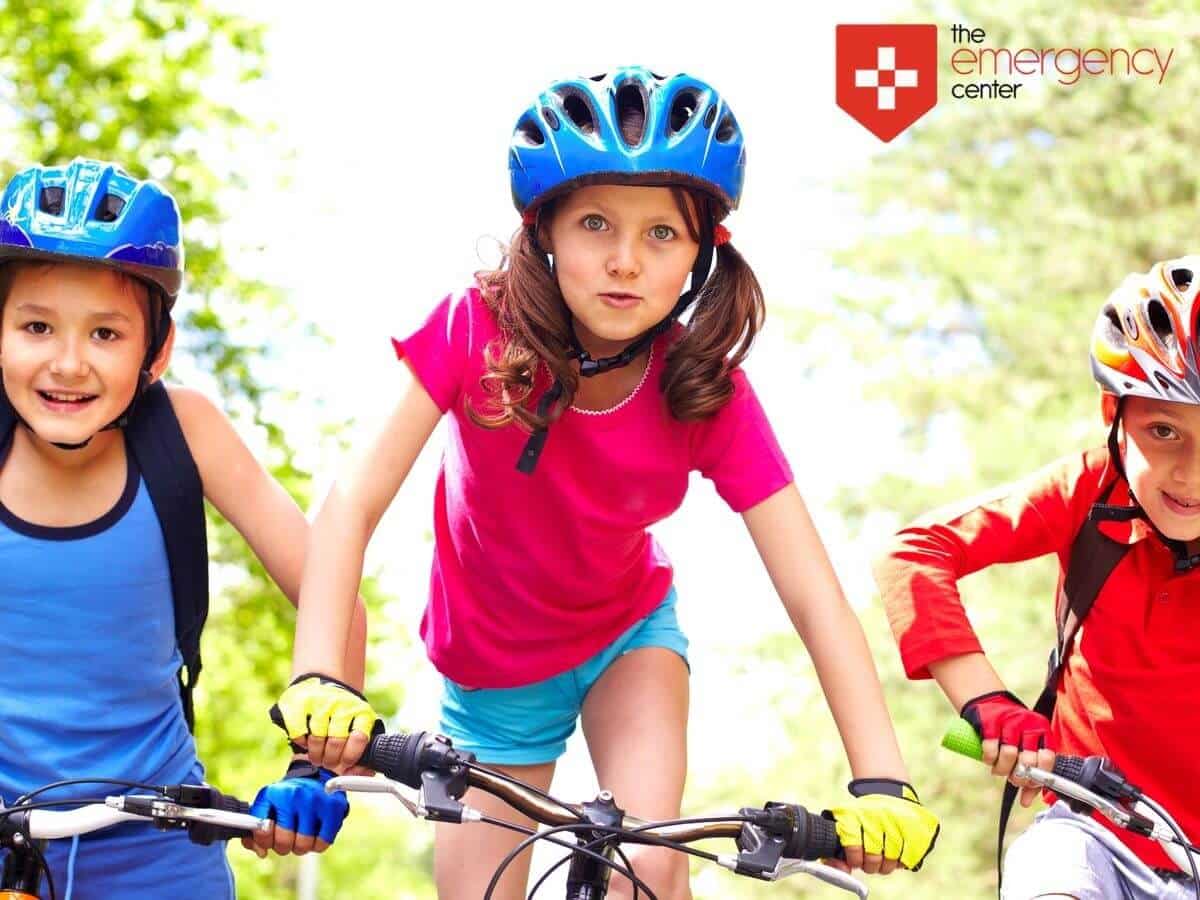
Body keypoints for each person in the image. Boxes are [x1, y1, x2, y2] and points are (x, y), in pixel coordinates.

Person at [274, 67, 939, 899]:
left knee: (648, 864)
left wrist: (881, 778)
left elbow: (813, 593)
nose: (625, 262)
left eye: (662, 233)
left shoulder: (703, 385)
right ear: (544, 227)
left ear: (704, 251)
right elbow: (351, 504)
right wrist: (319, 679)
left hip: (627, 637)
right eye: (596, 223)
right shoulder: (473, 327)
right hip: (492, 667)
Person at [0, 158, 365, 899]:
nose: (68, 363)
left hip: (157, 846)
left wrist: (313, 767)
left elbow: (332, 591)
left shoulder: (186, 431)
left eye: (106, 333)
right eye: (37, 325)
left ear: (155, 352)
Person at [875, 257, 1200, 899]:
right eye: (1163, 431)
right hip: (1094, 835)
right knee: (1051, 873)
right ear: (1116, 412)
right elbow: (916, 551)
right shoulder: (1089, 490)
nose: (1190, 473)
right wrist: (987, 704)